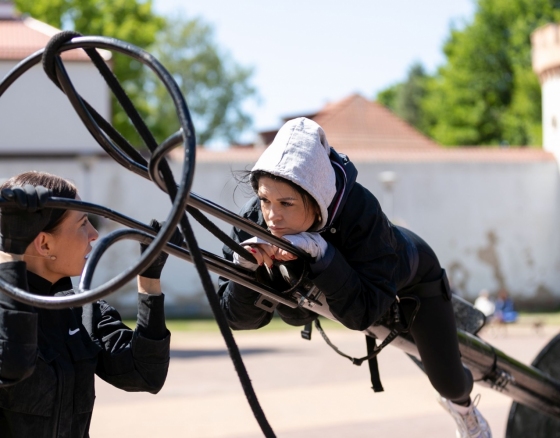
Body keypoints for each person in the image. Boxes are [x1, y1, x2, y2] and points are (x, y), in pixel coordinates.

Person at [218, 118, 492, 438]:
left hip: (412, 275)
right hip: (337, 288)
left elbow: (360, 315)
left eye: (286, 203)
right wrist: (244, 268)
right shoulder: (254, 220)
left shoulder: (361, 212)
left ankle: (466, 411)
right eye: (266, 200)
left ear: (315, 196)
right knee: (291, 311)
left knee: (448, 381)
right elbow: (237, 319)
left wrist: (323, 253)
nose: (272, 216)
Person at [0, 171, 174, 437]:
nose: (94, 234)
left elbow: (145, 374)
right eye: (83, 223)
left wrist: (148, 277)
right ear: (45, 244)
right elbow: (12, 363)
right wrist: (11, 251)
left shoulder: (81, 307)